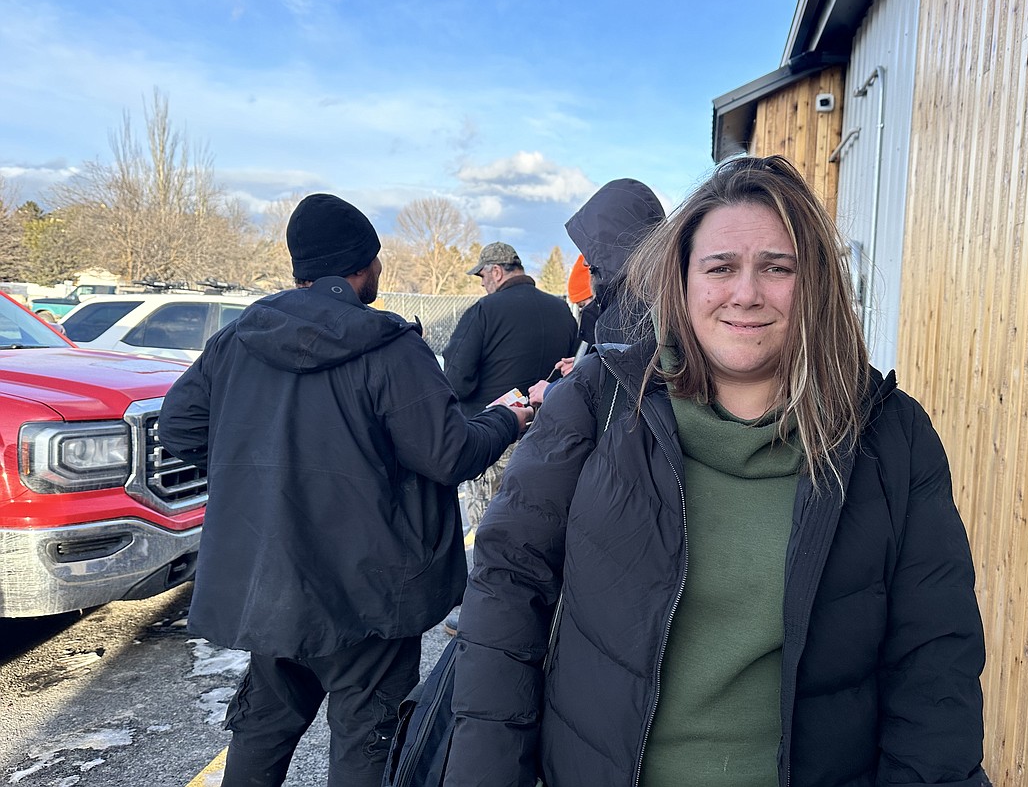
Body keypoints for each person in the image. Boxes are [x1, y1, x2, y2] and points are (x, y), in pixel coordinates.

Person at [445, 156, 989, 786]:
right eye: (720, 267)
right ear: (682, 281)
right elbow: (509, 587)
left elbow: (935, 662)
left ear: (813, 282)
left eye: (776, 268)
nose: (746, 292)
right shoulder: (600, 402)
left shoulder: (889, 436)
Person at [158, 193, 531, 787]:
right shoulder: (389, 346)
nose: (381, 271)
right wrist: (510, 418)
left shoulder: (240, 338)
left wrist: (256, 466)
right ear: (361, 265)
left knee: (262, 729)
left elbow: (179, 428)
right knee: (366, 742)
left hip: (273, 579)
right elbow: (449, 453)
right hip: (370, 595)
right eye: (378, 259)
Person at [527, 178, 665, 407]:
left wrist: (552, 391)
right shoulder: (664, 295)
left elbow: (614, 404)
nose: (586, 264)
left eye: (591, 258)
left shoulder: (626, 315)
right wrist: (587, 364)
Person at [442, 241, 578, 417]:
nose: (482, 284)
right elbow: (572, 368)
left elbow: (456, 381)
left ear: (497, 272)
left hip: (492, 429)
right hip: (547, 425)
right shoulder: (561, 309)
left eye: (482, 276)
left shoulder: (485, 310)